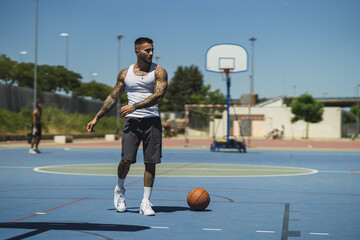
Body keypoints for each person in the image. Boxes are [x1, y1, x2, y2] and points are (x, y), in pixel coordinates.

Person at [87, 37, 168, 216]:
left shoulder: (159, 72)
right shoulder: (125, 74)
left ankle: (145, 202)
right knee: (126, 160)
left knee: (151, 162)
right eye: (147, 50)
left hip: (152, 120)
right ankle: (119, 190)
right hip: (132, 122)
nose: (151, 53)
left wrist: (135, 106)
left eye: (152, 49)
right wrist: (97, 117)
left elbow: (159, 95)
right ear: (137, 51)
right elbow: (113, 97)